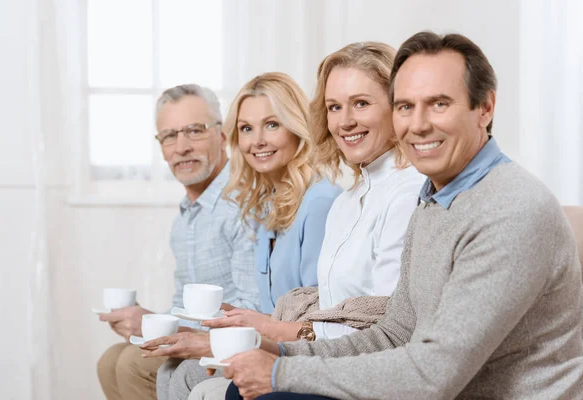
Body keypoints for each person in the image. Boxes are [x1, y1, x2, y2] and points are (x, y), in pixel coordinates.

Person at [224, 31, 583, 400]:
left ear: (485, 108)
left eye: (439, 104)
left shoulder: (511, 208)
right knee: (245, 389)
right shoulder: (433, 200)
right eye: (405, 107)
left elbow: (433, 373)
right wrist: (281, 351)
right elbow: (393, 333)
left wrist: (283, 371)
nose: (418, 124)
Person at [190, 42, 426, 399]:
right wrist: (268, 338)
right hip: (335, 358)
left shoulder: (408, 192)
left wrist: (276, 337)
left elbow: (387, 328)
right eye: (334, 107)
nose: (345, 121)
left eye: (361, 103)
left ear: (398, 106)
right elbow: (333, 315)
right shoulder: (347, 202)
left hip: (372, 373)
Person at [149, 72, 342, 400]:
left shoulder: (320, 201)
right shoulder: (267, 204)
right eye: (246, 129)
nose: (258, 141)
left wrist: (232, 339)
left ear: (296, 127)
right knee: (171, 372)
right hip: (265, 339)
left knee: (186, 378)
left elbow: (320, 319)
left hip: (302, 351)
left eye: (272, 124)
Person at [95, 84, 260, 400]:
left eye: (194, 131)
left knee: (131, 363)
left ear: (222, 135)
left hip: (233, 343)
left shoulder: (244, 203)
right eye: (169, 136)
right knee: (110, 360)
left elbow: (253, 309)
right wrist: (149, 322)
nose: (181, 147)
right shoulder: (184, 219)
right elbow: (183, 307)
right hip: (197, 338)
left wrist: (162, 329)